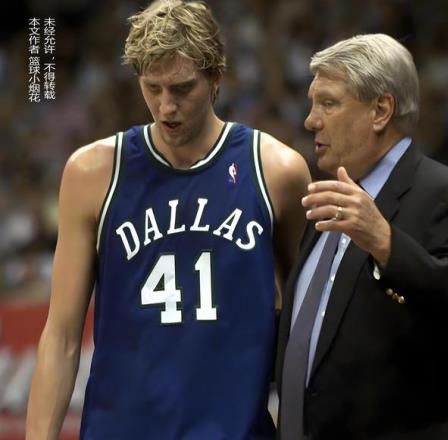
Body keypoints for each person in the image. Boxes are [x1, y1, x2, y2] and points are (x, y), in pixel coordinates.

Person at [25, 1, 311, 438]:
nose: (165, 106)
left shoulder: (277, 171)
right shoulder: (92, 173)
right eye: (152, 87)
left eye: (182, 88)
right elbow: (62, 336)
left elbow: (304, 326)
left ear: (216, 78)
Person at [275, 33, 448, 440]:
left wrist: (385, 242)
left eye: (328, 103)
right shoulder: (328, 203)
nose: (311, 120)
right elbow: (317, 343)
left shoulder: (447, 193)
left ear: (380, 110)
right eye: (312, 103)